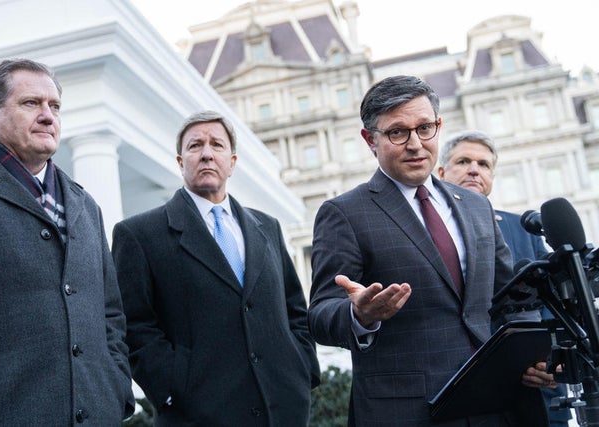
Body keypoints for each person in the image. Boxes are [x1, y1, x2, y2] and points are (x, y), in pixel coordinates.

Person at [308, 75, 555, 426]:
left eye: (425, 128)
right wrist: (359, 315)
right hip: (409, 411)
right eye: (398, 132)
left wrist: (532, 356)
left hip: (499, 404)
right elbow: (319, 315)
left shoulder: (476, 206)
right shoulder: (344, 213)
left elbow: (513, 299)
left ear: (438, 126)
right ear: (370, 140)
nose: (415, 144)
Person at [111, 110, 320, 426]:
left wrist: (303, 368)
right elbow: (134, 325)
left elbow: (294, 310)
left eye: (216, 145)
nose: (206, 153)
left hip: (283, 409)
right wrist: (170, 388)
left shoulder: (268, 227)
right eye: (195, 146)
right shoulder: (139, 234)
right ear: (181, 162)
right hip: (196, 415)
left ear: (232, 162)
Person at [0, 58, 134, 425]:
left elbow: (110, 312)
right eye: (31, 103)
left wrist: (116, 386)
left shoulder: (85, 204)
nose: (47, 115)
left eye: (54, 106)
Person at [438, 129, 572, 426]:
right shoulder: (425, 229)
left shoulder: (526, 229)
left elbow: (552, 310)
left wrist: (553, 365)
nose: (474, 169)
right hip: (460, 395)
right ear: (441, 172)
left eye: (484, 165)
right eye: (464, 161)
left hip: (533, 396)